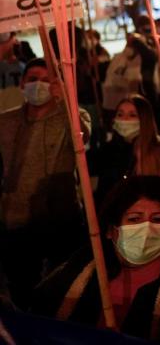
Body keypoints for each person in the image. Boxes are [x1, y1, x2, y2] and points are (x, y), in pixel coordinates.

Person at [31, 176, 160, 341]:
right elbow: (37, 320)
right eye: (134, 219)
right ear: (111, 230)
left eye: (158, 219)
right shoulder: (80, 269)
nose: (146, 228)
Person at [0, 58, 89, 306]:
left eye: (46, 80)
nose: (38, 85)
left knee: (61, 287)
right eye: (32, 79)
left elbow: (83, 139)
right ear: (21, 84)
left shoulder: (73, 116)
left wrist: (67, 103)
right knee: (20, 286)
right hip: (15, 219)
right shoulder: (5, 122)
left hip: (60, 217)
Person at [90, 94, 160, 200]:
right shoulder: (108, 151)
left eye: (132, 115)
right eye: (120, 115)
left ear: (144, 120)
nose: (125, 119)